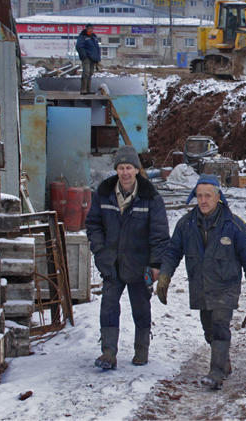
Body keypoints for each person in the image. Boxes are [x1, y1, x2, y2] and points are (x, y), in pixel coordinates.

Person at [155, 174, 246, 389]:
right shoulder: (185, 224)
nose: (203, 201)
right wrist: (165, 277)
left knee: (220, 325)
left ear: (218, 197)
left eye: (208, 196)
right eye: (199, 196)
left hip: (226, 285)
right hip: (201, 286)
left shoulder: (234, 225)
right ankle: (223, 362)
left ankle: (216, 374)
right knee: (209, 331)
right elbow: (173, 252)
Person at [85, 145, 169, 370]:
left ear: (136, 170)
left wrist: (155, 264)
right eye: (121, 168)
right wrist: (100, 251)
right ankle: (108, 353)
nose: (125, 172)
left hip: (139, 264)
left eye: (129, 167)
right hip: (111, 263)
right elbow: (93, 224)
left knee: (141, 307)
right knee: (109, 306)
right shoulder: (103, 194)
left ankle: (141, 350)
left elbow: (160, 235)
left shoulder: (150, 197)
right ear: (116, 170)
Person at [75, 24, 101, 95]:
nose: (91, 30)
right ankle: (83, 89)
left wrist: (97, 59)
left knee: (90, 73)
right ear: (86, 29)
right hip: (86, 57)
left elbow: (97, 49)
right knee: (86, 72)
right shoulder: (83, 37)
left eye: (92, 28)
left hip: (93, 58)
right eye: (90, 28)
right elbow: (79, 47)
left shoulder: (94, 37)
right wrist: (84, 56)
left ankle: (88, 89)